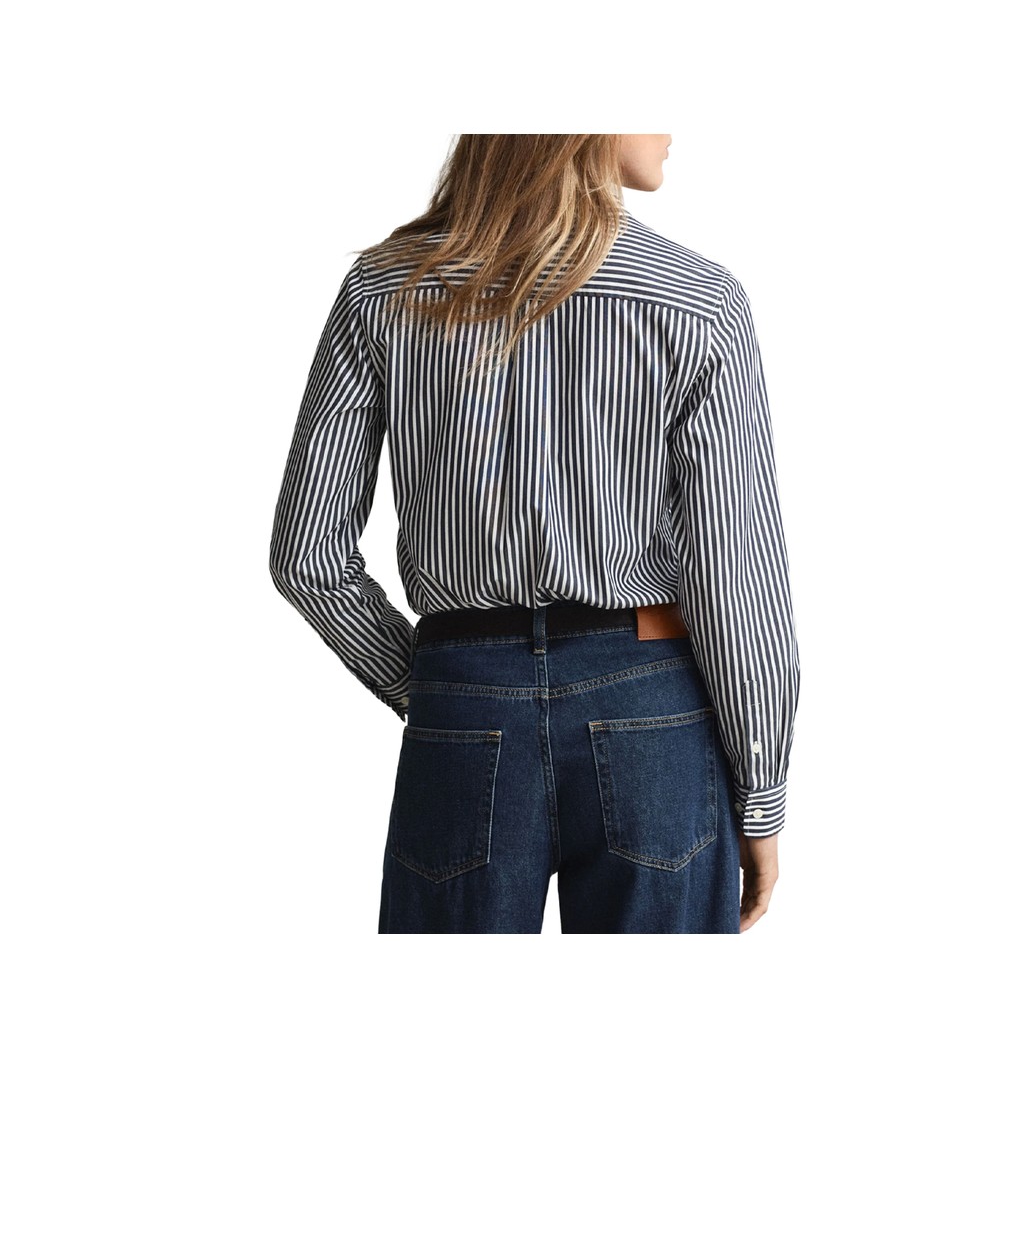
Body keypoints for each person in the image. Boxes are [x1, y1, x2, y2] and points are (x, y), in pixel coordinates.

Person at [269, 134, 800, 934]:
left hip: (464, 700)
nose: (672, 127)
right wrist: (762, 793)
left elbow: (306, 557)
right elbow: (737, 582)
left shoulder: (383, 289)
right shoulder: (697, 300)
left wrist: (434, 684)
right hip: (650, 706)